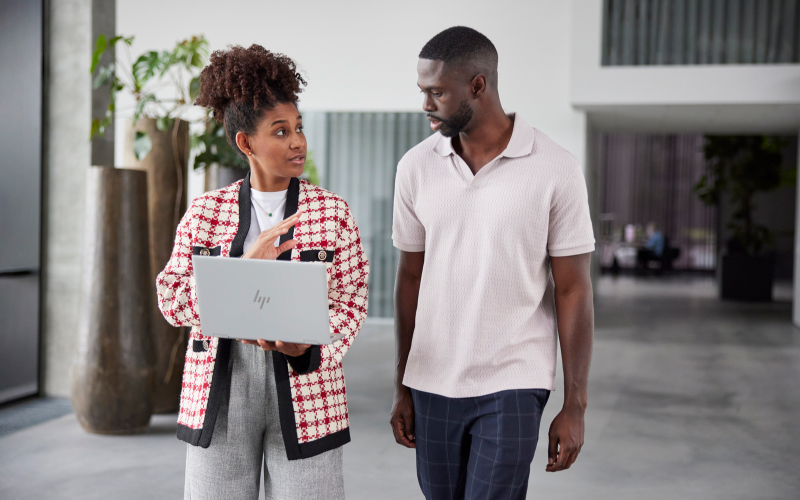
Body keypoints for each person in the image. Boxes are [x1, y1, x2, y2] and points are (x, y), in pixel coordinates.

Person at [156, 45, 369, 500]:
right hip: (221, 387)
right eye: (281, 131)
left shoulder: (332, 213)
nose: (297, 142)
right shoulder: (204, 212)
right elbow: (171, 297)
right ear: (246, 143)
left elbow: (351, 302)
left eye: (299, 127)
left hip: (307, 387)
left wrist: (309, 347)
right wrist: (240, 269)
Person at [390, 27, 595, 499]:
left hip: (514, 379)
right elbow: (411, 277)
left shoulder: (555, 167)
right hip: (432, 377)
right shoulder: (415, 167)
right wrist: (402, 384)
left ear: (478, 86)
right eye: (423, 91)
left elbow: (573, 288)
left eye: (437, 92)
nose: (425, 104)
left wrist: (575, 403)